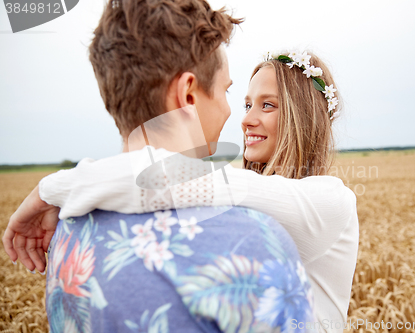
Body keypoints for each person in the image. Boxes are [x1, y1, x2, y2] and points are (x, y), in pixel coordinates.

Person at [2, 0, 317, 332]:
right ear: (189, 95)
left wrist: (53, 187)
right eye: (226, 91)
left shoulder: (65, 231)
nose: (231, 113)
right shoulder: (257, 244)